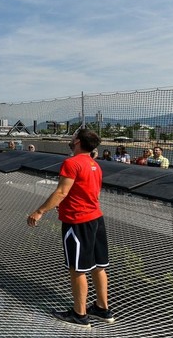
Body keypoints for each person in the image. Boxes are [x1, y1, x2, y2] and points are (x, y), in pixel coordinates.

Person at [27, 128, 114, 328]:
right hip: (96, 219)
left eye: (73, 137)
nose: (71, 138)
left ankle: (79, 314)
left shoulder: (71, 163)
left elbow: (61, 191)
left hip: (77, 221)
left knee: (77, 269)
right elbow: (93, 193)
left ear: (77, 142)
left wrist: (39, 211)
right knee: (99, 267)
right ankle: (102, 309)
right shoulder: (94, 165)